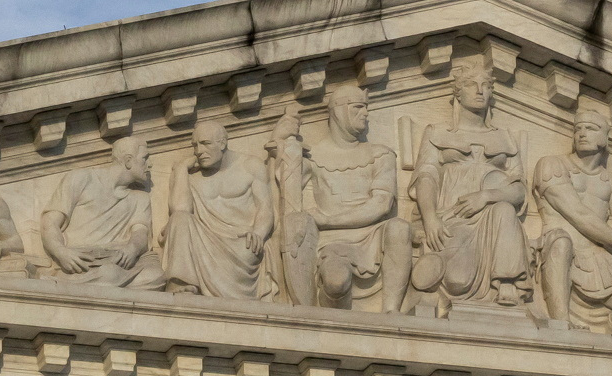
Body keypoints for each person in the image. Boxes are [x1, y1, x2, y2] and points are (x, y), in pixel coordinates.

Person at [274, 81, 412, 312]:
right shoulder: (314, 156)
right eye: (358, 107)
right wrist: (283, 143)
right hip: (332, 241)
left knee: (400, 228)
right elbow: (286, 189)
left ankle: (392, 312)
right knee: (335, 282)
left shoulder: (380, 154)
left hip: (373, 234)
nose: (366, 113)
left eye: (366, 107)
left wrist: (328, 220)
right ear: (339, 111)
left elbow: (381, 204)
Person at [409, 53, 529, 314]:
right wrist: (430, 219)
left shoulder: (506, 138)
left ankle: (506, 281)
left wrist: (486, 196)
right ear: (458, 92)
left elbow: (519, 191)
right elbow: (426, 178)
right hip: (451, 217)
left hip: (495, 221)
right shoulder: (437, 133)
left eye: (486, 86)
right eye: (471, 85)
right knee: (457, 280)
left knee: (504, 209)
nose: (480, 91)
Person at [532, 104, 612, 333]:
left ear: (605, 138)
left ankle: (600, 351)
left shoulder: (608, 180)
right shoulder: (552, 165)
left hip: (596, 255)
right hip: (559, 249)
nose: (581, 133)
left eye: (590, 128)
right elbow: (576, 212)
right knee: (561, 242)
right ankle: (561, 325)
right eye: (578, 129)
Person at [164, 117, 277, 300]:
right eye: (195, 146)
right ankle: (182, 283)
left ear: (222, 143)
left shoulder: (250, 166)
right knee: (179, 218)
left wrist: (259, 233)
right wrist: (182, 169)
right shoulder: (190, 175)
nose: (199, 151)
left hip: (240, 244)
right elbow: (180, 210)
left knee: (248, 250)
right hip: (202, 243)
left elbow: (265, 207)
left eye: (205, 143)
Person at [40, 135, 168, 287]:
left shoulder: (140, 198)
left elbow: (140, 233)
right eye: (145, 158)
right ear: (128, 161)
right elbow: (50, 222)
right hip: (82, 262)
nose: (150, 165)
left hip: (120, 261)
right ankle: (71, 282)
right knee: (110, 274)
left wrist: (131, 249)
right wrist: (61, 252)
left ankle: (88, 284)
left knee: (156, 276)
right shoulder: (81, 178)